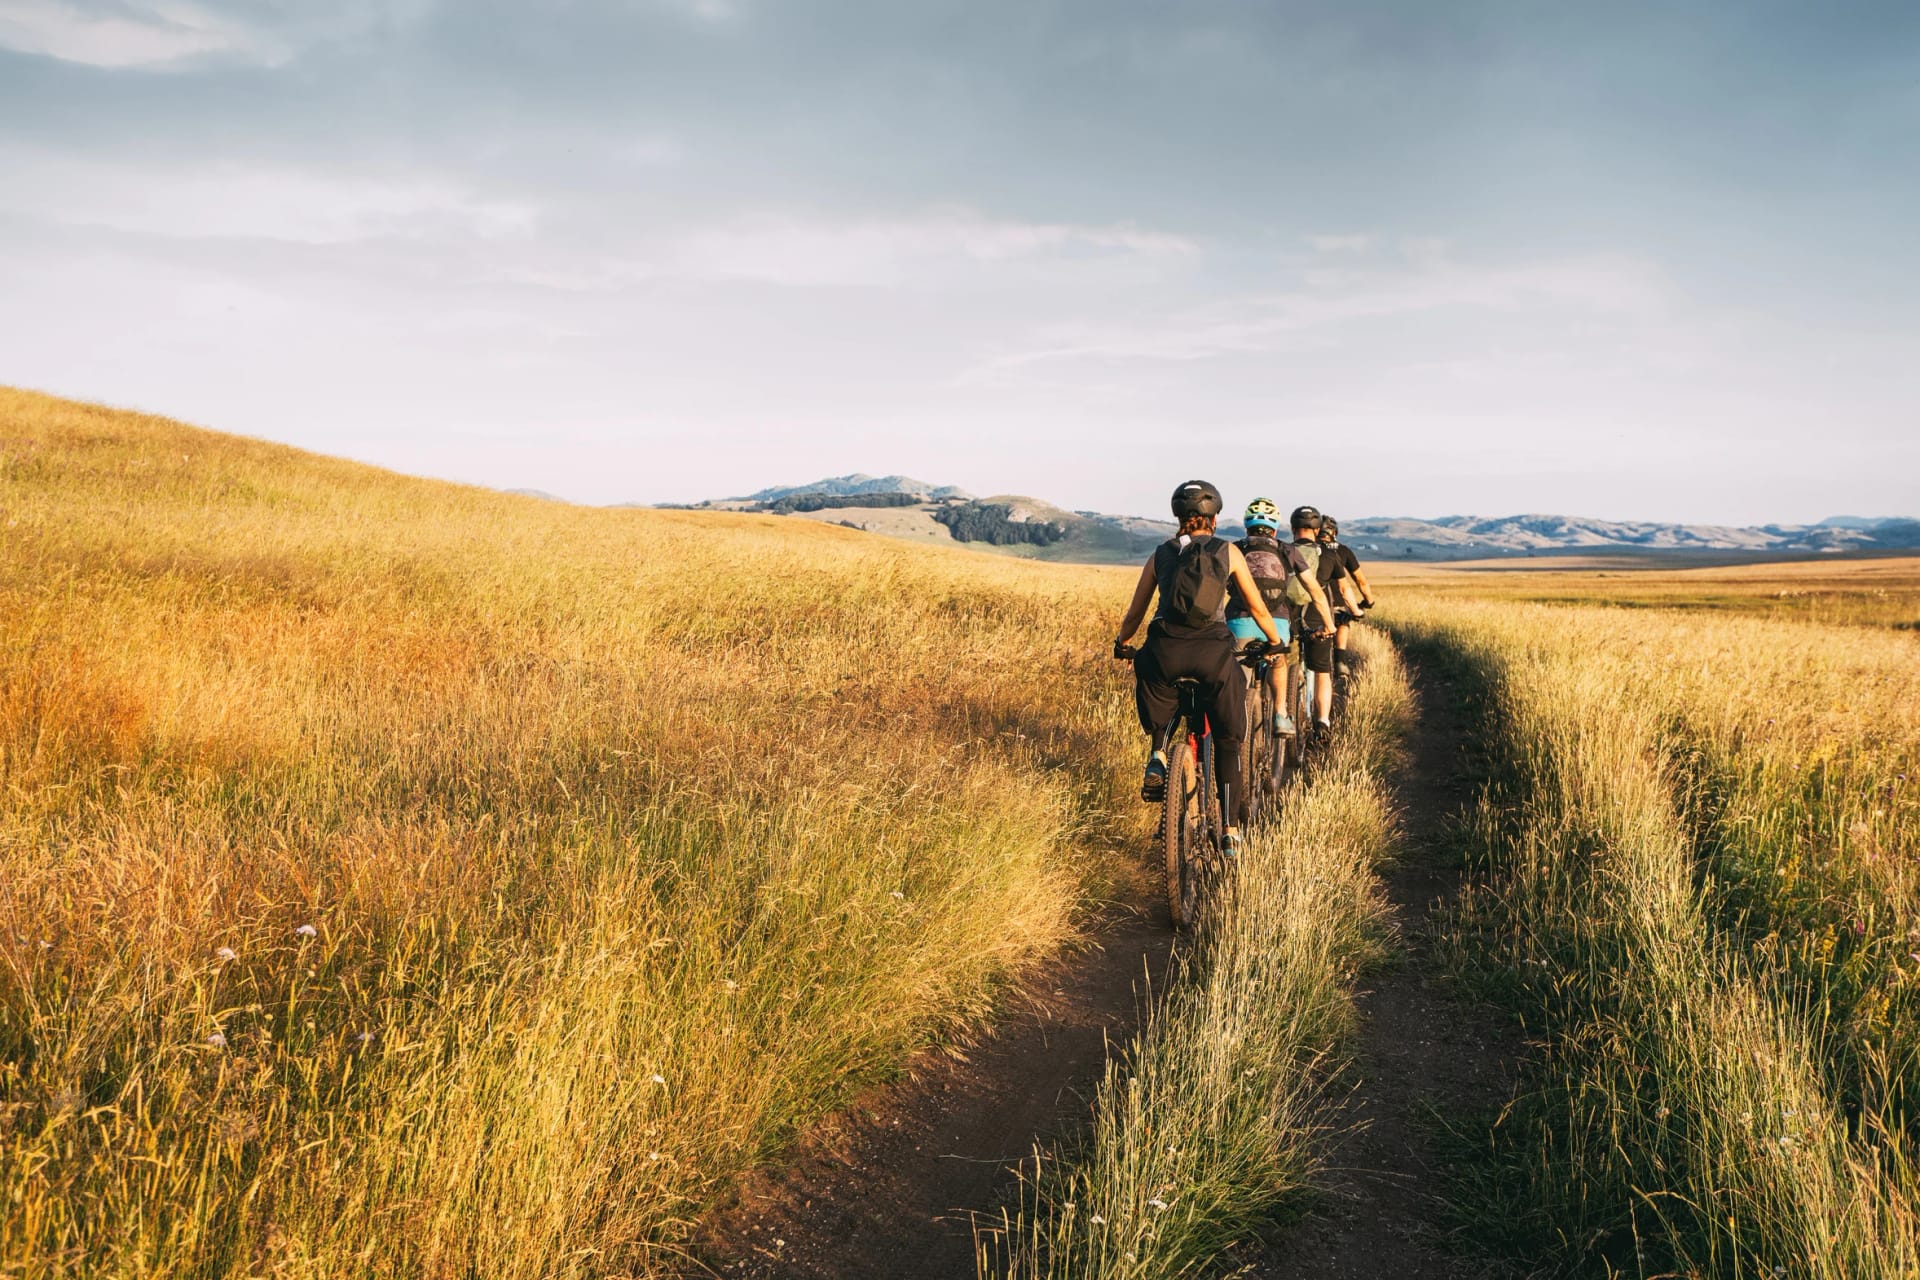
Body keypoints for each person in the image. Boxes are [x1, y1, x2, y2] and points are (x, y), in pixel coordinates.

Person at [1114, 480, 1284, 856]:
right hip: (1213, 655)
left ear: (1179, 517)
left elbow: (1136, 612)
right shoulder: (1228, 553)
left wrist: (1123, 643)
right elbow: (1257, 607)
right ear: (1214, 518)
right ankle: (1229, 829)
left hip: (1164, 652)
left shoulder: (1161, 553)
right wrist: (1275, 641)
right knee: (1227, 739)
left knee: (1158, 687)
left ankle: (1158, 754)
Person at [1227, 497, 1309, 738]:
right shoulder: (1288, 550)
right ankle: (1281, 715)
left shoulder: (1234, 549)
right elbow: (1313, 588)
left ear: (1246, 526)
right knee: (1278, 661)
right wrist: (1327, 622)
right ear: (1275, 528)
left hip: (1239, 621)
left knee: (1240, 673)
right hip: (1277, 622)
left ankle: (1238, 722)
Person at [1286, 505, 1341, 737]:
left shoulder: (1283, 551)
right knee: (1321, 671)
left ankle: (1276, 710)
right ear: (1317, 531)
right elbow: (1342, 588)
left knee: (1278, 665)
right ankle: (1322, 723)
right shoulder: (1329, 555)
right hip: (1317, 619)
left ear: (1292, 529)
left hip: (1286, 617)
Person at [1317, 516, 1376, 686]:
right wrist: (1368, 601)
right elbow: (1360, 580)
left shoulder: (1307, 550)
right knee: (1343, 620)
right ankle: (1340, 661)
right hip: (1337, 603)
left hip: (1310, 605)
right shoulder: (1342, 551)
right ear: (1334, 533)